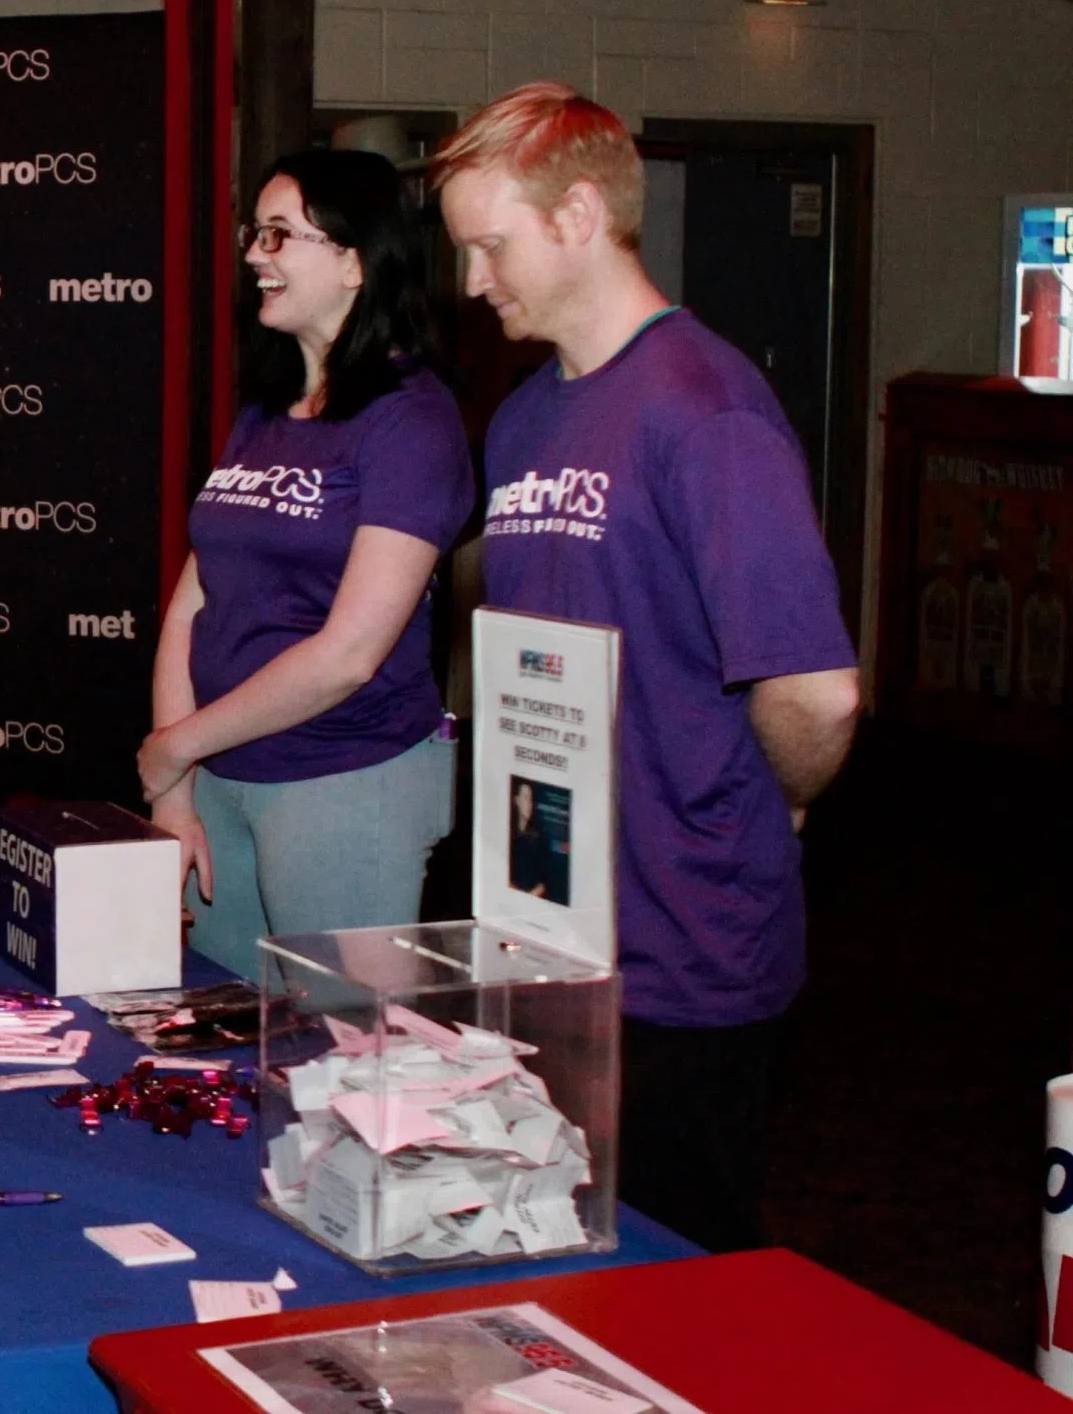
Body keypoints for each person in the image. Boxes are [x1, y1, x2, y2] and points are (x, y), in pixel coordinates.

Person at [433, 80, 860, 1253]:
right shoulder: (523, 419)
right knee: (547, 1263)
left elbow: (817, 690)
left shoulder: (705, 410)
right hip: (545, 931)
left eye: (490, 246)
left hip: (682, 954)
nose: (472, 282)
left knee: (673, 1286)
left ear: (577, 215)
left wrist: (788, 794)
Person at [135, 150, 473, 982]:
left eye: (280, 234)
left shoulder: (412, 422)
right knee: (226, 1029)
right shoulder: (266, 410)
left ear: (355, 262)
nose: (256, 254)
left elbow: (350, 654)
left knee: (345, 1044)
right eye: (255, 233)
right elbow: (193, 600)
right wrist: (175, 785)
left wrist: (176, 746)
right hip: (220, 777)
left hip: (342, 777)